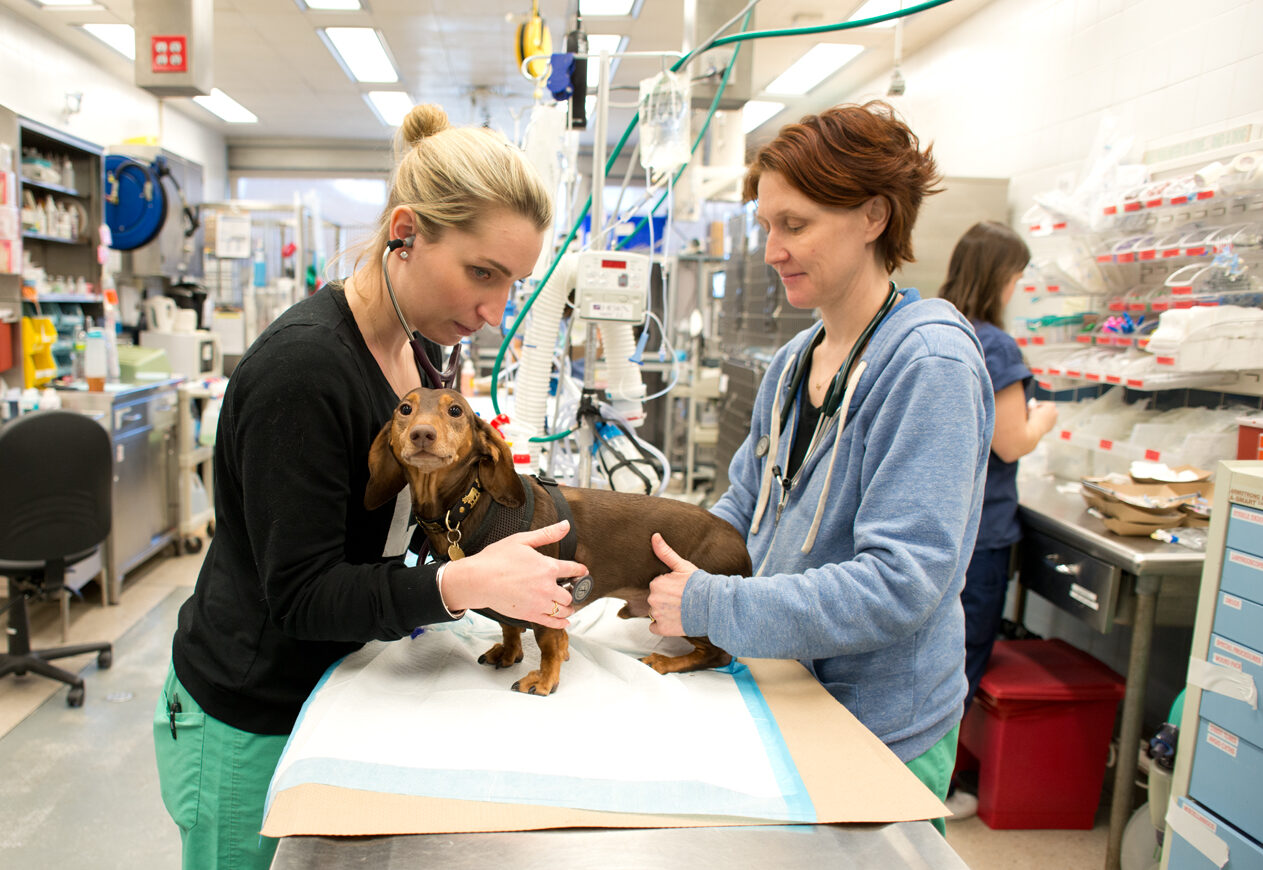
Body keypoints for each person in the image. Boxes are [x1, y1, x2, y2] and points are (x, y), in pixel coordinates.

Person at [153, 103, 589, 870]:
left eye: (512, 283)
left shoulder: (420, 359)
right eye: (480, 273)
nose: (494, 312)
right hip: (251, 713)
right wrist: (456, 584)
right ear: (405, 232)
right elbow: (301, 595)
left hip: (332, 689)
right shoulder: (305, 372)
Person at [645, 101, 995, 835]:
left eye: (794, 225)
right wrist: (654, 560)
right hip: (787, 686)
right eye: (766, 225)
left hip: (878, 726)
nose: (772, 248)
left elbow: (901, 584)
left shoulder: (927, 364)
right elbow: (744, 507)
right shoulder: (794, 361)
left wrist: (712, 606)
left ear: (872, 216)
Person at [936, 221, 1059, 819]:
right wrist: (1047, 419)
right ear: (1004, 279)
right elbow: (1009, 443)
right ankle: (947, 784)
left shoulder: (937, 329)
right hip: (981, 536)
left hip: (941, 523)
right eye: (1017, 278)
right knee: (963, 657)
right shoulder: (997, 345)